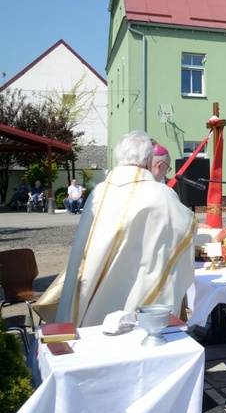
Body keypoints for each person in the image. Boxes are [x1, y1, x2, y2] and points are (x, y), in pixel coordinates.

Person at [56, 131, 197, 327]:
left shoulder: (100, 190)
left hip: (93, 272)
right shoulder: (161, 193)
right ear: (148, 159)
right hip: (134, 278)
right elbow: (182, 230)